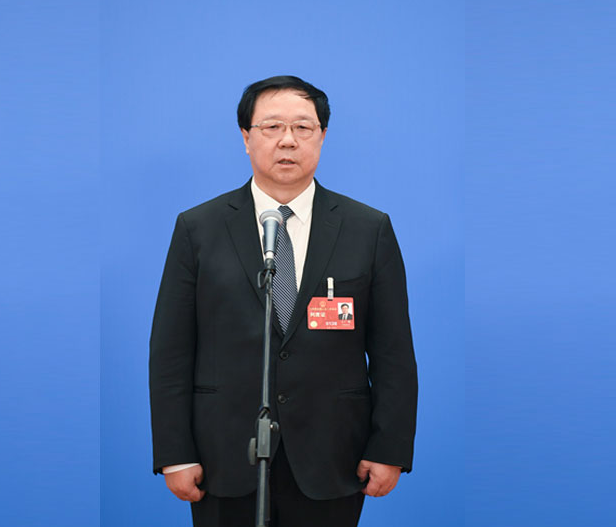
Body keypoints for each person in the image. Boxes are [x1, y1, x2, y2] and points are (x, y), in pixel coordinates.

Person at [149, 75, 418, 527]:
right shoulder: (198, 228)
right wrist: (175, 452)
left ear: (322, 136)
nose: (287, 141)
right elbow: (171, 351)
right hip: (222, 455)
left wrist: (389, 447)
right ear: (246, 137)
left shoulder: (368, 229)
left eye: (302, 128)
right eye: (272, 127)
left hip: (333, 455)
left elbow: (393, 351)